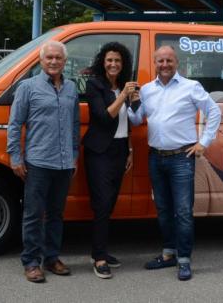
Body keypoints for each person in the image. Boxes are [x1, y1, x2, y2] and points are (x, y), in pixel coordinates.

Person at [128, 45, 220, 281]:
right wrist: (133, 102)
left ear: (176, 62)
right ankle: (168, 254)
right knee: (163, 210)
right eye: (160, 61)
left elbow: (214, 111)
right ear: (155, 63)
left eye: (169, 60)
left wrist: (204, 143)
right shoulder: (147, 90)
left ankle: (184, 260)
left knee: (182, 211)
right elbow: (137, 121)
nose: (165, 65)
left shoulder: (191, 87)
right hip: (156, 157)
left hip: (182, 157)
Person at [6, 40, 79, 284]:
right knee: (33, 215)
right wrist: (15, 156)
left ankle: (52, 258)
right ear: (40, 60)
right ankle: (31, 262)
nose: (54, 62)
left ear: (65, 62)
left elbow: (75, 125)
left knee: (57, 215)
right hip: (38, 162)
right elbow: (15, 124)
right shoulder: (27, 87)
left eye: (58, 58)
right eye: (49, 58)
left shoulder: (71, 88)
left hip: (64, 163)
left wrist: (74, 155)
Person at [81, 42, 138, 279]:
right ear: (102, 63)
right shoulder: (95, 85)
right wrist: (123, 95)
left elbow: (131, 120)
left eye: (118, 61)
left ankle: (100, 249)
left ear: (123, 64)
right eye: (109, 60)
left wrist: (131, 149)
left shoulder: (127, 87)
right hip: (99, 152)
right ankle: (99, 257)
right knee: (102, 204)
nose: (113, 64)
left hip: (120, 149)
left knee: (110, 203)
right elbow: (104, 118)